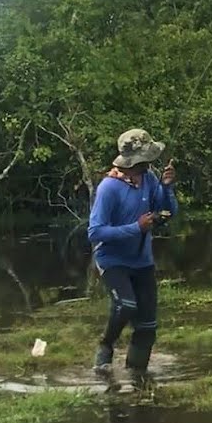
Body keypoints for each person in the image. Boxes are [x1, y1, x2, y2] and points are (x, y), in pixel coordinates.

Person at [88, 128, 179, 377]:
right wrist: (135, 228)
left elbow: (168, 212)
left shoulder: (150, 179)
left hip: (142, 261)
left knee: (148, 326)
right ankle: (106, 344)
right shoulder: (109, 188)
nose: (151, 162)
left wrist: (167, 188)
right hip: (112, 260)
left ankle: (137, 376)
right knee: (126, 305)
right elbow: (95, 232)